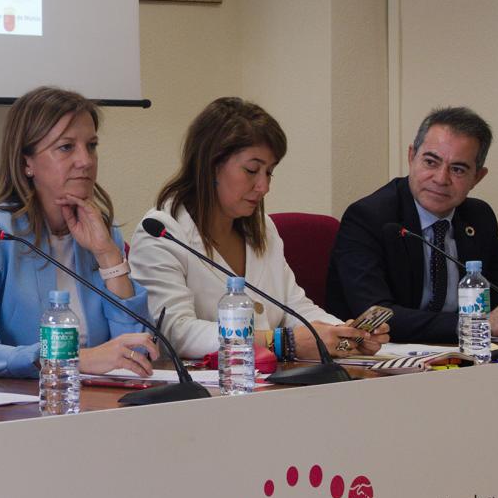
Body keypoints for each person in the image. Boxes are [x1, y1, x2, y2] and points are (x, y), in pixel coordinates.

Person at [129, 97, 388, 362]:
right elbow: (176, 333)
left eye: (269, 172)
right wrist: (278, 341)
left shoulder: (263, 228)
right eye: (252, 170)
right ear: (210, 164)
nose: (263, 187)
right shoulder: (162, 232)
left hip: (271, 383)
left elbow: (295, 307)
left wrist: (344, 334)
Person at [0, 87, 158, 378]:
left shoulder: (103, 232)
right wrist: (74, 359)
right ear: (26, 162)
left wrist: (108, 255)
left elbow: (139, 353)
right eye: (66, 147)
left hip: (99, 400)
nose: (85, 160)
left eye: (92, 146)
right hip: (27, 403)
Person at [326, 106, 498, 343]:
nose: (441, 179)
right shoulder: (369, 217)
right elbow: (375, 316)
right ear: (411, 157)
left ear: (477, 177)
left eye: (458, 169)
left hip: (461, 358)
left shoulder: (478, 217)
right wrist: (479, 324)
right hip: (379, 363)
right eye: (431, 162)